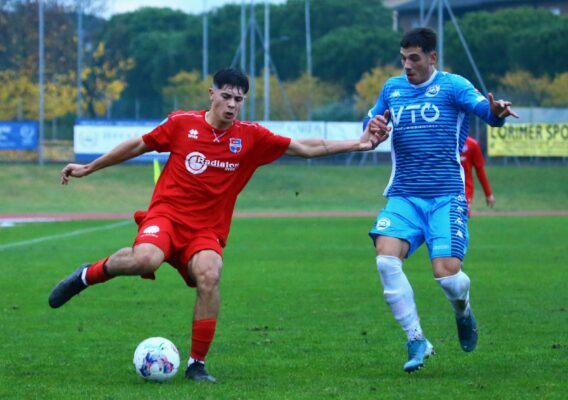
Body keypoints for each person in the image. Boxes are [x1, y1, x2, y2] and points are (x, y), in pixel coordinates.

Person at [49, 67, 388, 383]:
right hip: (166, 216)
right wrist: (88, 167)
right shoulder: (182, 123)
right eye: (226, 96)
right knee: (145, 259)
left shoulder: (251, 137)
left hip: (206, 231)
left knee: (210, 275)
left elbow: (309, 147)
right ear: (211, 93)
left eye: (238, 99)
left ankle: (197, 364)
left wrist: (361, 144)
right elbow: (139, 144)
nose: (232, 104)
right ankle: (86, 275)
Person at [362, 27, 518, 373]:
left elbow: (485, 111)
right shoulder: (392, 88)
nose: (407, 65)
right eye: (403, 58)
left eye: (414, 58)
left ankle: (463, 310)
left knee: (447, 276)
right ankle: (417, 339)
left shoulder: (453, 86)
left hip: (446, 197)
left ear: (432, 58)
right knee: (386, 261)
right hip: (403, 195)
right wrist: (372, 123)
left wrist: (497, 111)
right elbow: (371, 119)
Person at [461, 135, 495, 216]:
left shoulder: (472, 144)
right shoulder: (444, 143)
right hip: (445, 191)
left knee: (460, 221)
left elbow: (480, 171)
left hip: (465, 191)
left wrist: (488, 194)